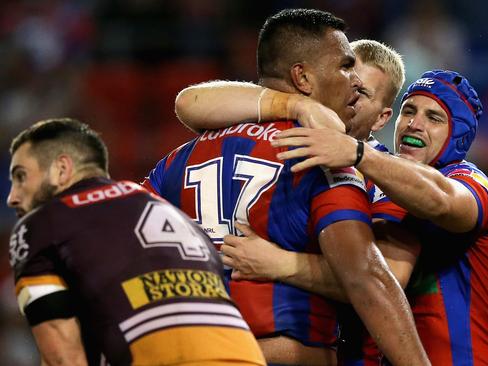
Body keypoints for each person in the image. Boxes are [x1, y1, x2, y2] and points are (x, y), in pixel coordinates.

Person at [143, 9, 428, 366]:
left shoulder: (181, 159)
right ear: (303, 78)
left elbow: (125, 243)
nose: (353, 82)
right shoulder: (319, 157)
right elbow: (368, 278)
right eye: (344, 67)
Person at [272, 70, 488, 365]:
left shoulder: (473, 182)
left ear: (459, 134)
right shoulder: (379, 187)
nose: (414, 124)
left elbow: (442, 202)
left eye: (434, 118)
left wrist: (358, 153)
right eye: (409, 111)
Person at [6, 118, 266, 366]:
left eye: (21, 176)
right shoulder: (175, 215)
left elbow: (63, 359)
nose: (12, 197)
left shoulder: (43, 223)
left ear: (61, 169)